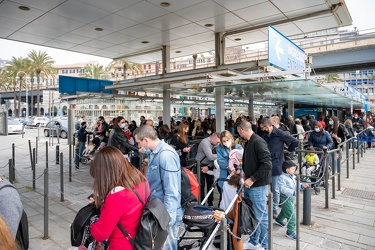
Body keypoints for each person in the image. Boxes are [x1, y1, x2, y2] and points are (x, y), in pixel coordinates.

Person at [133, 125, 183, 250]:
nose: (138, 146)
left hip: (166, 215)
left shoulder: (165, 155)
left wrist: (166, 224)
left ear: (145, 140)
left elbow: (172, 192)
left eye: (138, 143)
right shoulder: (154, 154)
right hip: (158, 213)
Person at [90, 146, 148, 249]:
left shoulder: (117, 197)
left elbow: (100, 234)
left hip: (122, 245)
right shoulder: (141, 179)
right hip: (140, 239)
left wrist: (92, 223)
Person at [237, 120, 272, 250]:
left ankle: (264, 245)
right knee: (253, 215)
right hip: (251, 185)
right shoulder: (249, 142)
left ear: (241, 130)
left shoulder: (258, 142)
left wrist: (252, 179)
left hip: (258, 186)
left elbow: (267, 164)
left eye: (238, 131)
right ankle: (254, 240)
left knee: (261, 216)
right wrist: (245, 173)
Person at [259, 118, 299, 220]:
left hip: (276, 164)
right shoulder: (265, 134)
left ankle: (274, 208)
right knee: (266, 186)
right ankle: (269, 205)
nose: (262, 129)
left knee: (275, 188)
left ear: (267, 126)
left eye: (263, 127)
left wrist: (288, 151)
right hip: (266, 164)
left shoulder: (280, 133)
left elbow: (295, 141)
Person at [275, 160, 309, 240]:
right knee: (292, 215)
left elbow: (295, 184)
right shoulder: (282, 178)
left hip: (290, 197)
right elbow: (282, 189)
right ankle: (290, 232)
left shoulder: (292, 176)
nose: (294, 171)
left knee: (285, 210)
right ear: (287, 169)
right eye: (293, 169)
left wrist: (302, 185)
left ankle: (279, 219)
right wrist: (293, 192)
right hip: (285, 197)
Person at [216, 131, 243, 205]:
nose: (226, 142)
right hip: (225, 174)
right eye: (224, 141)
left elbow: (242, 159)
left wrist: (238, 168)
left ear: (231, 138)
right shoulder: (219, 148)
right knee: (224, 195)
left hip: (237, 175)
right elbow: (221, 161)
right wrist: (230, 167)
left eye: (227, 140)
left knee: (236, 194)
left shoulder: (238, 147)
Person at [195, 132, 220, 206]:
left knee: (210, 185)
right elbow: (211, 157)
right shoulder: (205, 142)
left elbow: (212, 159)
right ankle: (202, 203)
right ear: (213, 137)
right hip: (201, 165)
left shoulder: (214, 144)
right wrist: (222, 155)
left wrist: (209, 166)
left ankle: (210, 202)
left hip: (209, 165)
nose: (218, 144)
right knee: (201, 185)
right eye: (217, 142)